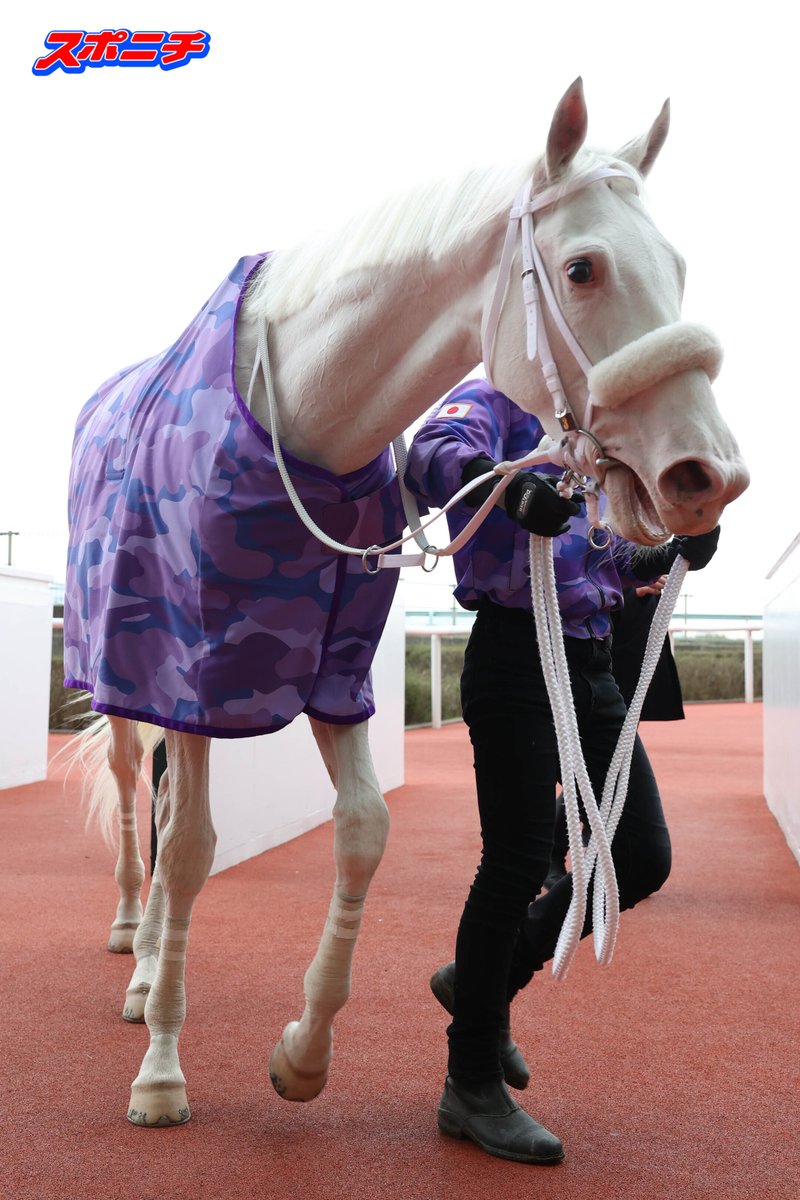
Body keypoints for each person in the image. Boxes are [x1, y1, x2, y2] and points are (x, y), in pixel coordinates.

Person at [404, 376, 719, 1165]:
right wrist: (514, 492)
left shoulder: (609, 429)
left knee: (641, 855)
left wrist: (671, 547)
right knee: (513, 862)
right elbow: (431, 456)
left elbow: (615, 552)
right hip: (514, 651)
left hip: (591, 662)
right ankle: (468, 1084)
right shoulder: (494, 399)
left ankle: (490, 976)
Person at [543, 575, 684, 891]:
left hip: (629, 640)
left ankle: (589, 847)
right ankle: (557, 852)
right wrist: (633, 588)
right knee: (591, 769)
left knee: (605, 767)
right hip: (597, 643)